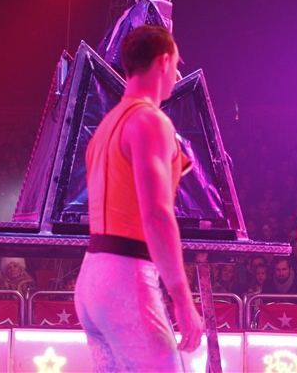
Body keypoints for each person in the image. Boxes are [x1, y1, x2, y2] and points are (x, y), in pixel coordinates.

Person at [74, 25, 204, 371]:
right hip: (125, 278)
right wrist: (183, 300)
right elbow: (158, 215)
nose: (178, 75)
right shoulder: (150, 121)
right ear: (163, 62)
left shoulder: (107, 126)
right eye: (176, 63)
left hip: (92, 279)